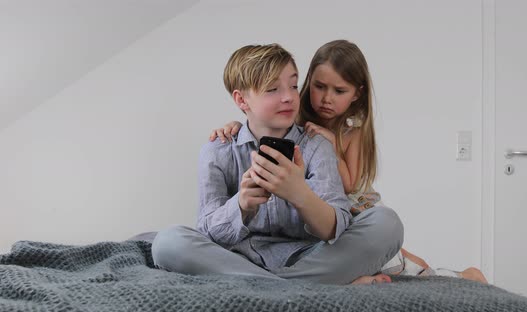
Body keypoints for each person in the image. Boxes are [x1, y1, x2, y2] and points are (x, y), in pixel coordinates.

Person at [209, 40, 487, 283]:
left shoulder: (349, 131)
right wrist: (237, 124)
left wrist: (328, 146)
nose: (326, 99)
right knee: (172, 242)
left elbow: (350, 183)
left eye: (339, 91)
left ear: (357, 93)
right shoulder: (295, 120)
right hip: (317, 232)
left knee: (402, 255)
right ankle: (325, 278)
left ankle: (462, 276)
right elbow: (259, 119)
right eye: (318, 87)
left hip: (354, 211)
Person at [151, 43, 404, 285]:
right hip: (239, 258)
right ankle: (312, 284)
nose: (288, 98)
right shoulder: (217, 151)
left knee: (387, 223)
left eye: (293, 86)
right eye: (273, 89)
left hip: (309, 257)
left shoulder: (317, 146)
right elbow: (207, 232)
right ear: (242, 101)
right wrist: (241, 206)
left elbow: (334, 228)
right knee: (168, 242)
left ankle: (267, 285)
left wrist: (299, 194)